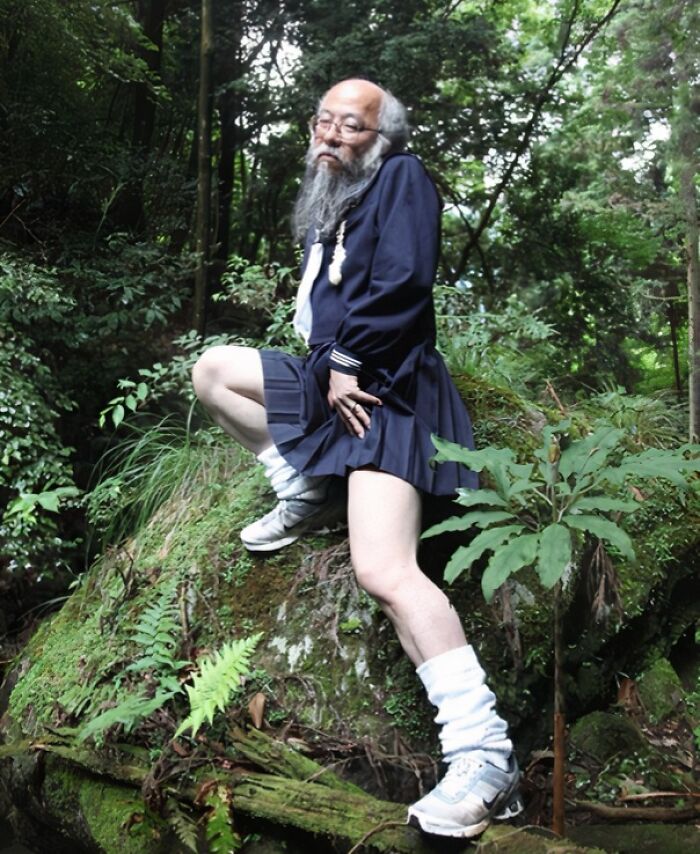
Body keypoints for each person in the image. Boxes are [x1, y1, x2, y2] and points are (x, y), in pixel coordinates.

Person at [192, 78, 523, 839]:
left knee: (384, 570)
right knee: (213, 371)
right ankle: (304, 485)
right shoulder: (329, 203)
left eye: (352, 127)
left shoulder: (403, 178)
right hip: (330, 376)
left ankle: (484, 755)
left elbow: (406, 284)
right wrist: (328, 362)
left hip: (387, 387)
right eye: (324, 123)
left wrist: (347, 356)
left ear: (381, 140)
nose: (332, 136)